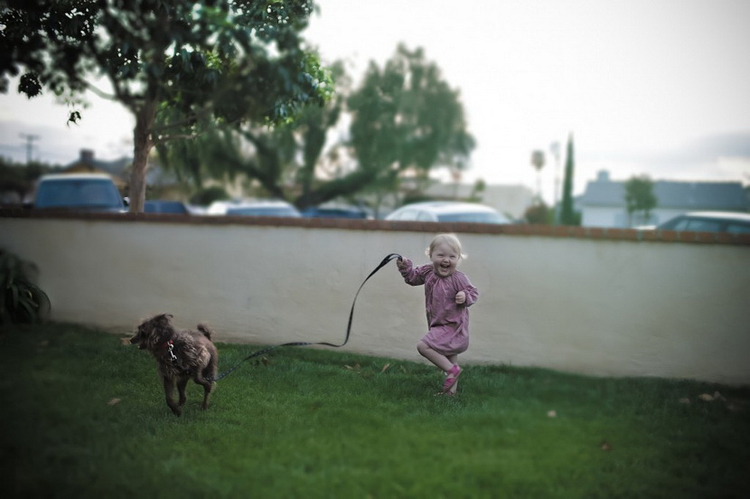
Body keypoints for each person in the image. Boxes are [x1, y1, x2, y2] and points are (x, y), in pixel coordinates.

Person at [396, 233, 479, 396]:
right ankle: (450, 394)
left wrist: (465, 296)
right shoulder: (427, 272)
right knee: (450, 357)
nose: (446, 260)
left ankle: (452, 371)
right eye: (440, 255)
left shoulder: (459, 278)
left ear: (458, 258)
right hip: (438, 322)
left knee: (424, 346)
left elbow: (473, 293)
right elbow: (412, 278)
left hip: (453, 325)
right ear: (431, 255)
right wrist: (405, 267)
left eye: (452, 256)